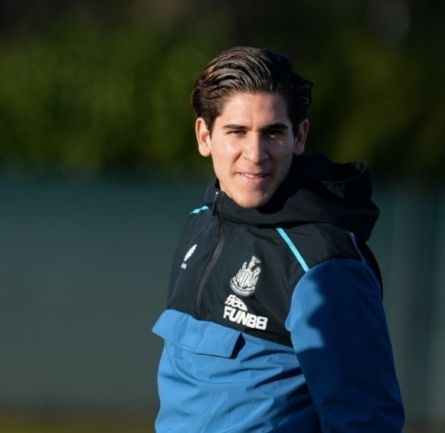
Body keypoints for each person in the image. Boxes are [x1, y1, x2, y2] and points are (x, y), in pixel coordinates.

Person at [151, 46, 405, 432]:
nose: (255, 154)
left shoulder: (323, 261)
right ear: (205, 135)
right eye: (237, 132)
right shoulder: (200, 224)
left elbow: (366, 420)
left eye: (272, 133)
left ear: (299, 136)